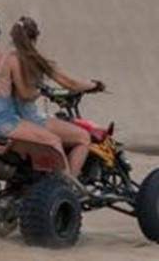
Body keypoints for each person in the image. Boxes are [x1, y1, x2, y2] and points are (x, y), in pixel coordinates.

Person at [0, 9, 71, 174]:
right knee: (54, 141)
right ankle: (68, 188)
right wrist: (39, 92)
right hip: (4, 122)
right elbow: (23, 94)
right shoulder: (8, 60)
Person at [9, 16, 105, 179]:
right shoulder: (37, 62)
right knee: (83, 137)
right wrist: (94, 85)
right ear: (35, 37)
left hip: (5, 119)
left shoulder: (5, 61)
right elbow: (71, 83)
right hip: (29, 120)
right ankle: (69, 186)